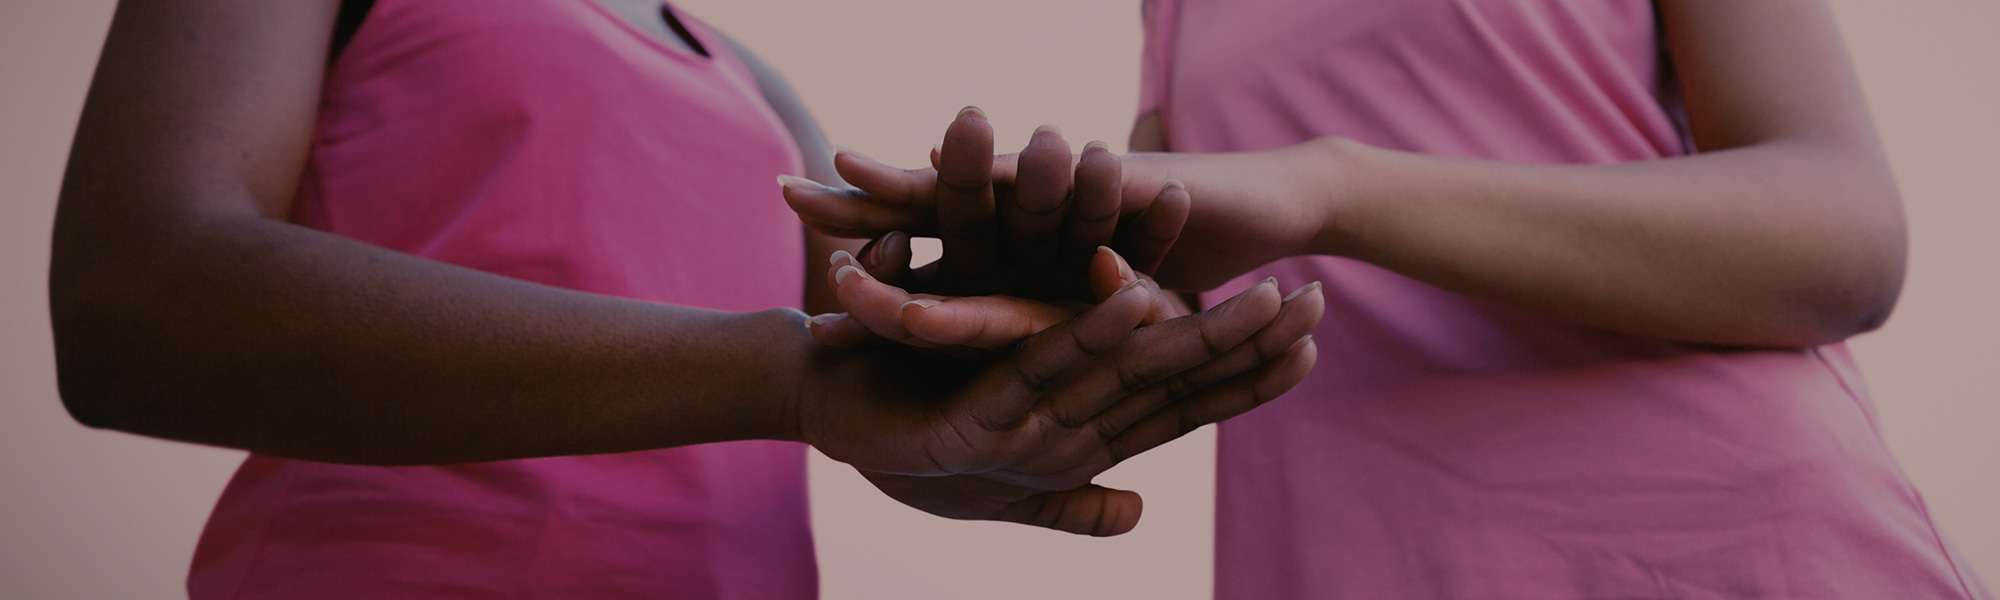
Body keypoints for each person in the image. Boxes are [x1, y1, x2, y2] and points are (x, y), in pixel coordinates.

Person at [48, 0, 1326, 597]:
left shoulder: (742, 74)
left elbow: (859, 389)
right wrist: (780, 372)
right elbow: (139, 302)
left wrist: (1009, 345)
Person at [785, 0, 1996, 597]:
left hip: (1707, 542)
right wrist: (1015, 290)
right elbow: (1175, 261)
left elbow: (1844, 238)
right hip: (1353, 561)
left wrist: (1334, 187)